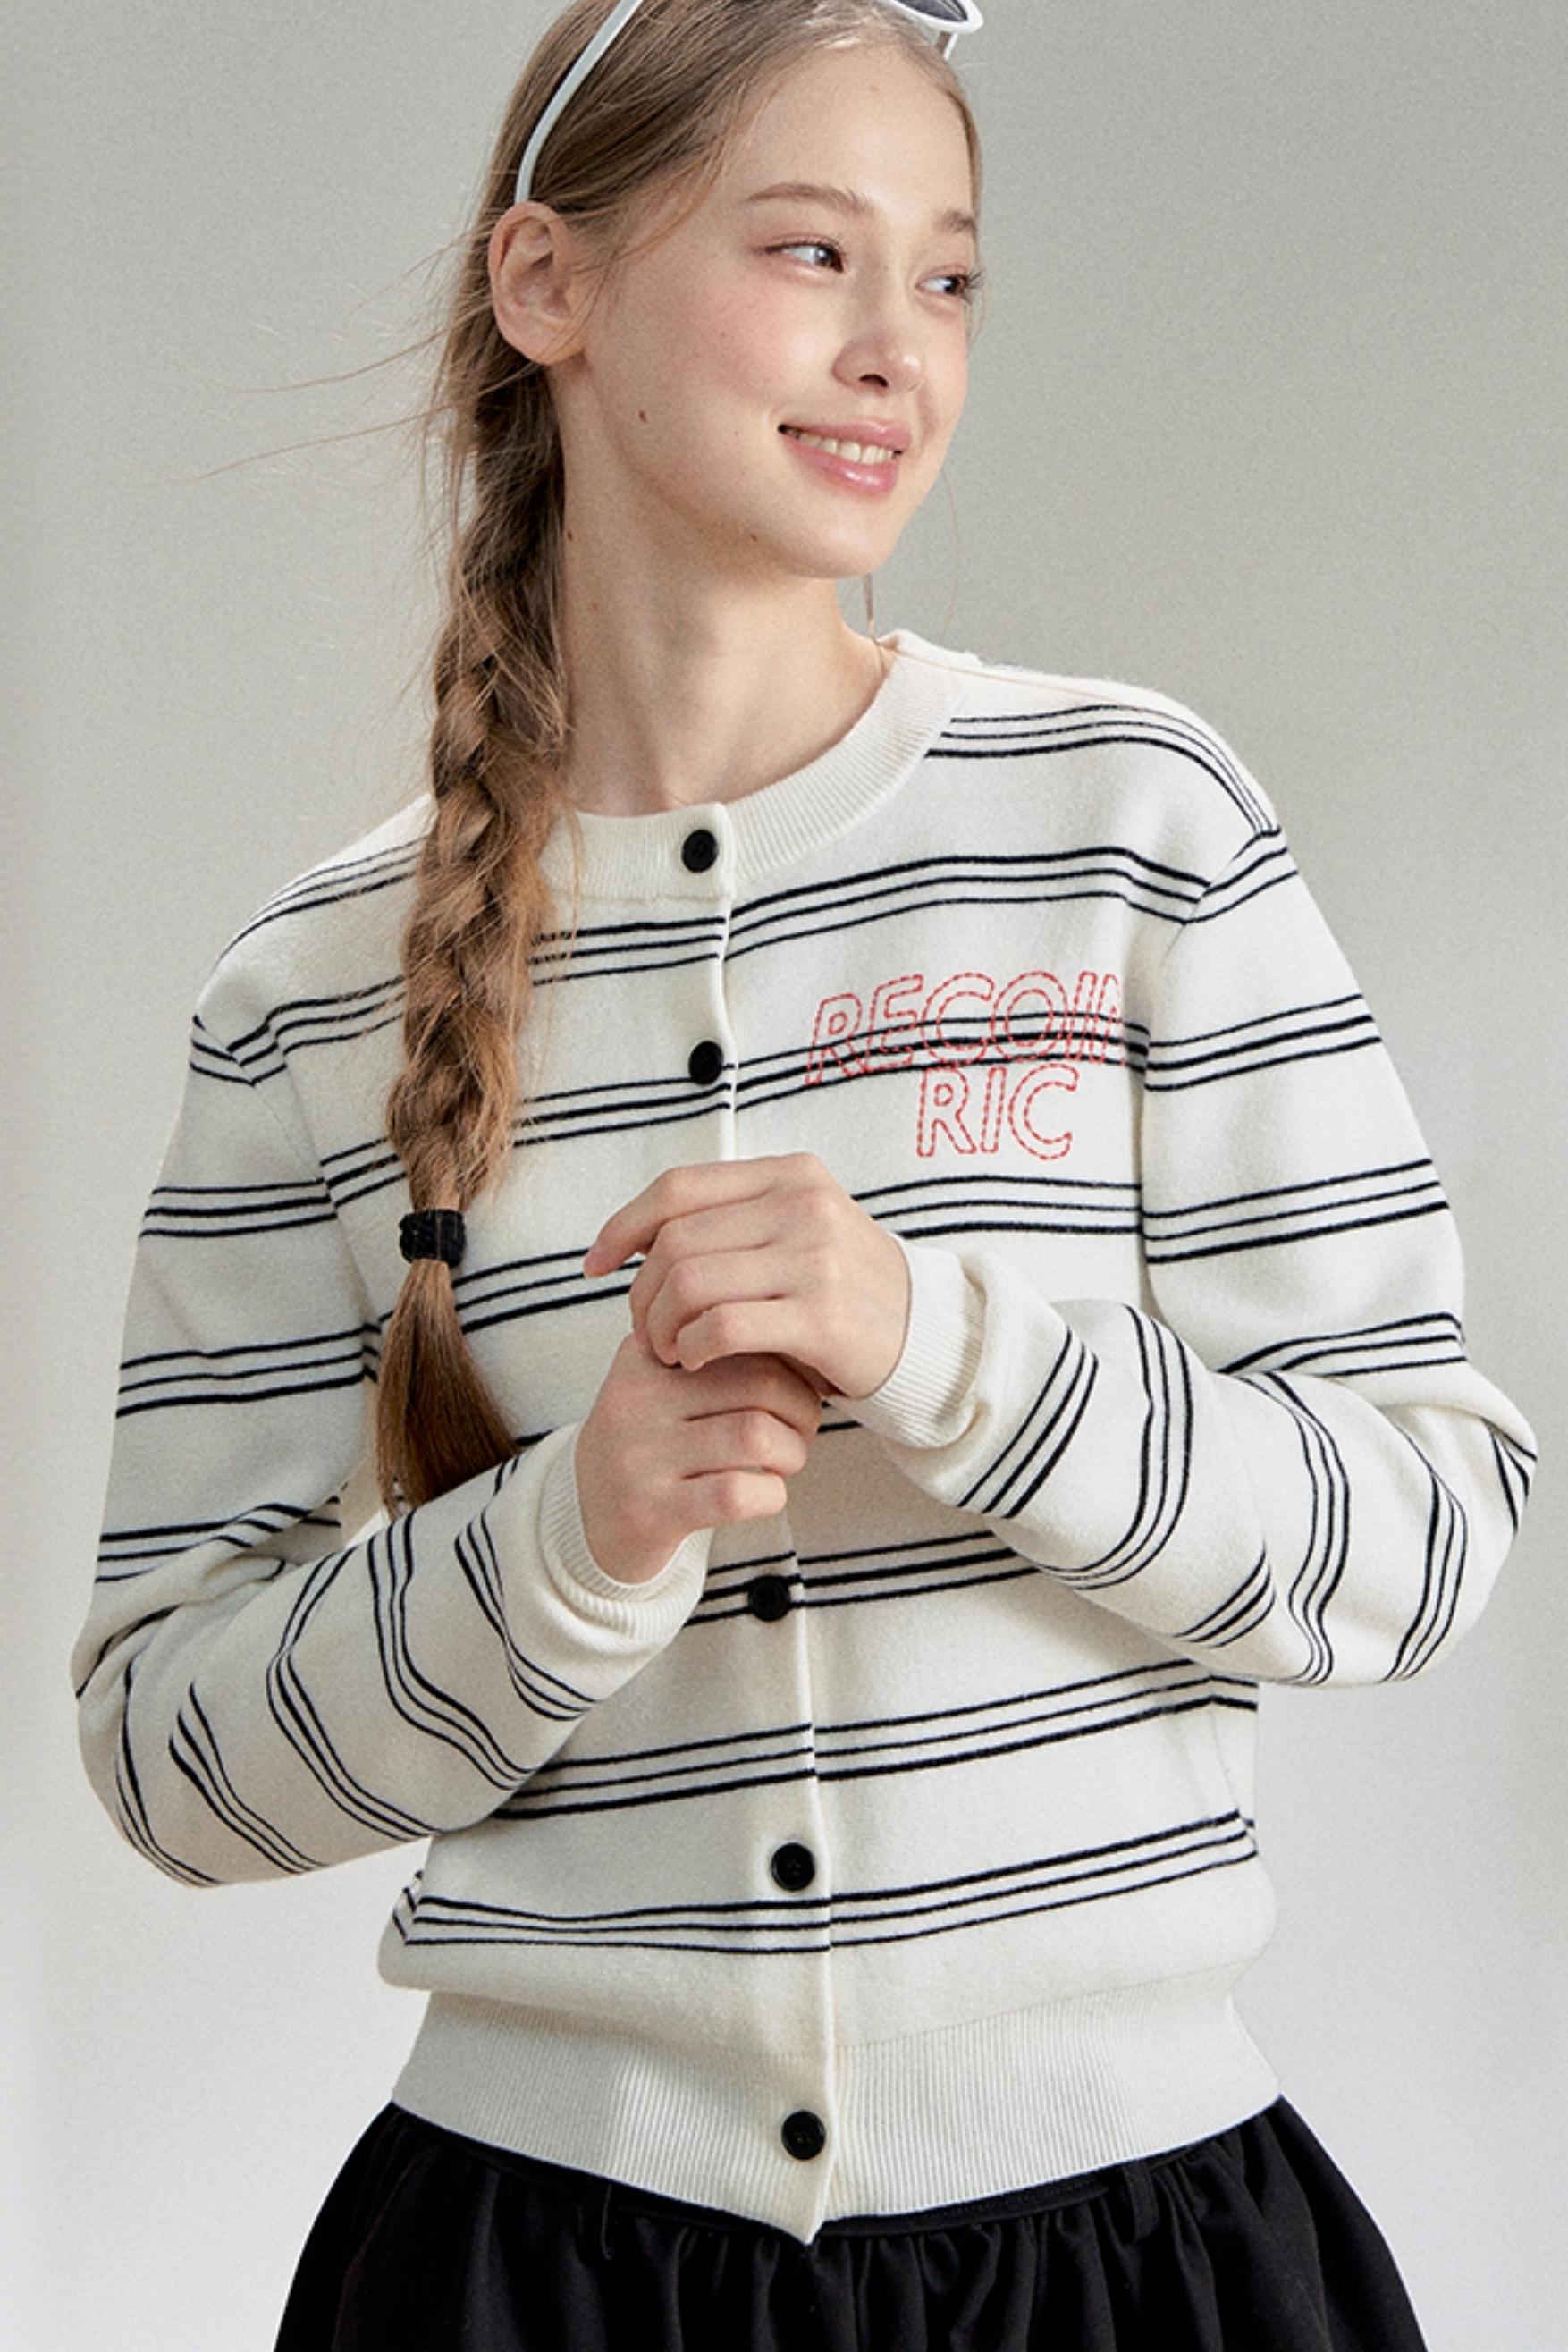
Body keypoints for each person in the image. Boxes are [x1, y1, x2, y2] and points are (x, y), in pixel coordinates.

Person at [69, 1, 1538, 2346]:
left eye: (944, 275)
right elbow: (168, 1752)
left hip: (1139, 2264)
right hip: (524, 2270)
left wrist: (946, 1351)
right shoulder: (309, 998)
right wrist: (573, 1537)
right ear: (548, 283)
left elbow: (1428, 1540)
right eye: (809, 252)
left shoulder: (1129, 829)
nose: (895, 351)